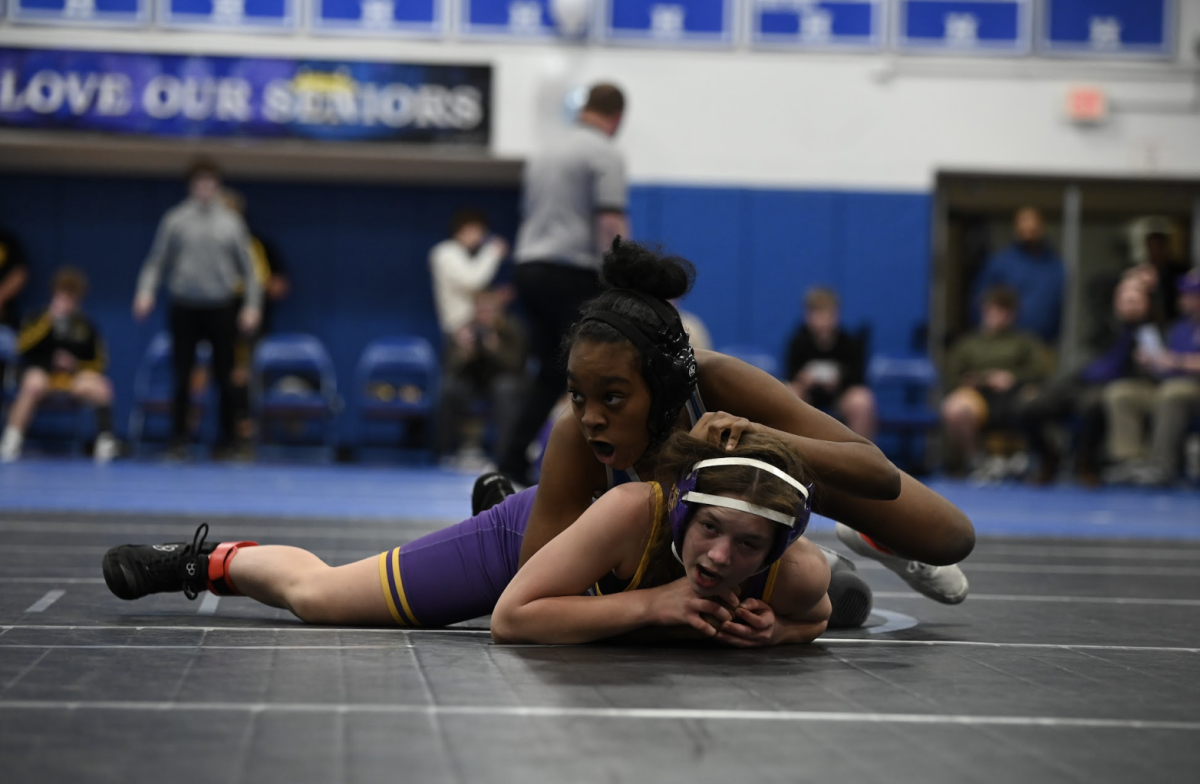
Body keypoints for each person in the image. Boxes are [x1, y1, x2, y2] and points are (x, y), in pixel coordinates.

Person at [491, 430, 829, 645]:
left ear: (775, 550)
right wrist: (652, 604)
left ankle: (836, 568)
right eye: (710, 527)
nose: (719, 556)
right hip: (525, 535)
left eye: (748, 544)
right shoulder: (629, 513)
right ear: (683, 512)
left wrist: (779, 632)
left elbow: (819, 617)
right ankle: (496, 502)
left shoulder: (800, 571)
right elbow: (509, 620)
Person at [498, 82, 630, 485]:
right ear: (617, 118)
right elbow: (609, 222)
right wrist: (624, 277)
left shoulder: (546, 152)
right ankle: (595, 460)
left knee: (551, 371)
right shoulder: (604, 152)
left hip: (530, 267)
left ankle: (511, 456)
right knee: (598, 366)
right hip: (570, 271)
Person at [132, 159, 261, 460]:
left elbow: (250, 269)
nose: (205, 189)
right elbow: (156, 261)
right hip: (185, 306)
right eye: (199, 183)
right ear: (190, 186)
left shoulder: (232, 222)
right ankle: (179, 440)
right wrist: (145, 292)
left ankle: (228, 442)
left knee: (225, 376)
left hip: (221, 307)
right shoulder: (175, 220)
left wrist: (252, 306)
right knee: (182, 374)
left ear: (218, 186)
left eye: (210, 183)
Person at [1016, 277, 1156, 487]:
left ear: (1147, 304)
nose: (1129, 305)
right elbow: (1096, 296)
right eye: (1124, 300)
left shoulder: (1151, 332)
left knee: (1092, 406)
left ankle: (1085, 463)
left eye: (1135, 301)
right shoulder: (1105, 326)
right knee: (1029, 407)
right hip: (1079, 382)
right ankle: (1048, 458)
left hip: (1115, 386)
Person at [0, 267, 118, 464]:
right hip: (42, 376)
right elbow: (20, 347)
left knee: (101, 386)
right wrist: (48, 321)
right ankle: (12, 439)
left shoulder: (85, 325)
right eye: (63, 296)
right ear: (54, 295)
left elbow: (99, 363)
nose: (67, 302)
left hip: (72, 379)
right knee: (33, 383)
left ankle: (105, 442)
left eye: (72, 298)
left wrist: (76, 365)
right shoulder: (37, 317)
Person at [1102, 269, 1200, 486]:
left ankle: (1161, 465)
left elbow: (1177, 361)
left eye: (1190, 294)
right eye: (1184, 293)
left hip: (1192, 390)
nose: (1184, 298)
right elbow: (1165, 363)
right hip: (1166, 383)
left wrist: (1176, 361)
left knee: (1172, 393)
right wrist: (1152, 362)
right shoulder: (1180, 327)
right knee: (1122, 393)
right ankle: (1131, 461)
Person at [942, 285, 1049, 478]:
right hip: (977, 395)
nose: (998, 316)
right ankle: (975, 461)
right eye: (994, 310)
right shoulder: (968, 343)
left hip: (1014, 394)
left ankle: (1028, 459)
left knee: (1035, 401)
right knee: (955, 408)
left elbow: (1039, 372)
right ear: (983, 311)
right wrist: (981, 380)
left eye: (1005, 311)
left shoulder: (1024, 342)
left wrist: (1013, 377)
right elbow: (952, 377)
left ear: (1014, 314)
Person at [223, 188, 290, 447]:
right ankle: (226, 433)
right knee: (224, 375)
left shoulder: (258, 245)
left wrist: (256, 289)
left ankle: (249, 430)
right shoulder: (209, 246)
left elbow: (281, 285)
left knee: (250, 375)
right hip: (220, 323)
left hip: (254, 325)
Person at [436, 289, 527, 466]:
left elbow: (518, 366)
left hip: (504, 384)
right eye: (480, 311)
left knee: (504, 388)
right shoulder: (463, 330)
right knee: (449, 388)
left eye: (489, 311)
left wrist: (495, 350)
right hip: (473, 386)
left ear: (499, 312)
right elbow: (449, 368)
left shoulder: (512, 329)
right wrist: (464, 354)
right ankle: (445, 451)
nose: (484, 316)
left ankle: (505, 453)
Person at [784, 286, 876, 439]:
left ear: (836, 315)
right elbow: (790, 373)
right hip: (808, 396)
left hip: (839, 396)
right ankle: (793, 450)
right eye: (817, 313)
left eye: (827, 313)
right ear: (807, 315)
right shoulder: (798, 341)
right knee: (789, 392)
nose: (822, 320)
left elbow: (858, 378)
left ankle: (862, 454)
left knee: (863, 400)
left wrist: (840, 381)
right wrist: (802, 379)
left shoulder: (849, 343)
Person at [972, 207, 1065, 345]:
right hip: (1002, 343)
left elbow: (1060, 308)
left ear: (1042, 228)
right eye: (1024, 228)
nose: (1028, 233)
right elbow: (980, 300)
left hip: (1043, 343)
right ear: (1015, 229)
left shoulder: (1055, 267)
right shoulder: (999, 263)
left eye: (1033, 229)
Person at [429, 208, 509, 340]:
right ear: (462, 228)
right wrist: (493, 251)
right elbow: (473, 281)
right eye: (477, 230)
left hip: (480, 326)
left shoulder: (468, 254)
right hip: (459, 328)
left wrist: (497, 296)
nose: (480, 236)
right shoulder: (445, 252)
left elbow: (474, 291)